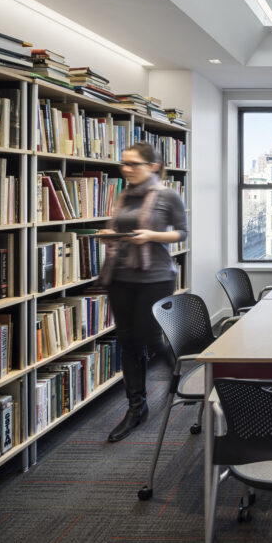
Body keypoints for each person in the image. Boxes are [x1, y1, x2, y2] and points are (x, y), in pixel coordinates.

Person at [99, 141, 188, 443]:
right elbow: (122, 229)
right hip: (120, 276)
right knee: (128, 342)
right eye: (123, 163)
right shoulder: (124, 195)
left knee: (151, 338)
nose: (126, 169)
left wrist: (151, 236)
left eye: (133, 164)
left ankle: (183, 379)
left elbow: (181, 233)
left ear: (151, 166)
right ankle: (136, 407)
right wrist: (111, 235)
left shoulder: (167, 196)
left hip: (155, 277)